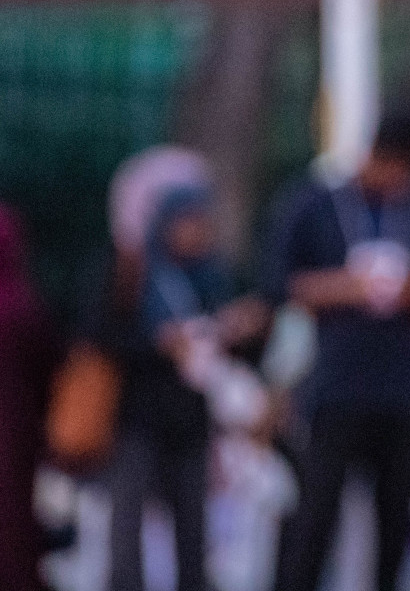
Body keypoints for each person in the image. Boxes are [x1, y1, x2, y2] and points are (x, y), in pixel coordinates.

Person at [269, 112, 410, 591]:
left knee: (396, 516)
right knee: (316, 511)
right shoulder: (316, 205)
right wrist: (343, 289)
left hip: (402, 392)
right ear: (375, 156)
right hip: (335, 388)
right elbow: (276, 284)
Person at [106, 184, 262, 591]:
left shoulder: (212, 276)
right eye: (188, 223)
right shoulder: (135, 270)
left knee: (193, 522)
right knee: (129, 519)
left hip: (191, 418)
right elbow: (104, 335)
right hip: (139, 414)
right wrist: (160, 342)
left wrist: (236, 330)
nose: (197, 232)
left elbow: (234, 346)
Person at [0, 205, 58, 591]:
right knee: (14, 525)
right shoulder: (24, 304)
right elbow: (48, 370)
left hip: (15, 429)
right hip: (15, 432)